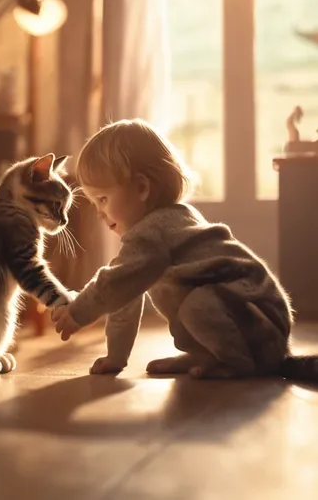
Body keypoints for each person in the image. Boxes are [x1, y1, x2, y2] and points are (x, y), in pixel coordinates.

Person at [51, 118, 297, 380]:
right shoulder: (169, 223)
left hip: (261, 325)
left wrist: (78, 311)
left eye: (103, 199)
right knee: (190, 306)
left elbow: (114, 283)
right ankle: (210, 354)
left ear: (142, 188)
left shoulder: (154, 232)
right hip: (255, 324)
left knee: (196, 307)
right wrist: (116, 357)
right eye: (94, 203)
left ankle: (236, 362)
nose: (100, 213)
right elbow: (125, 293)